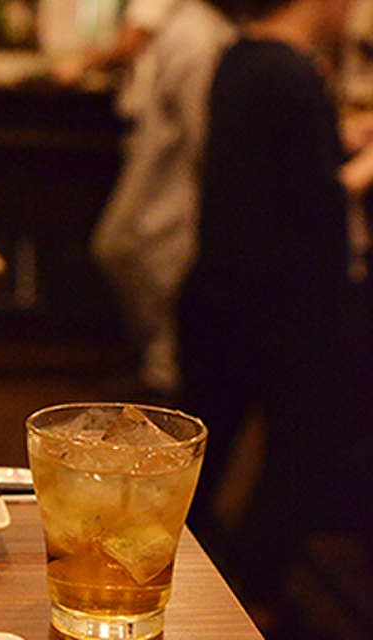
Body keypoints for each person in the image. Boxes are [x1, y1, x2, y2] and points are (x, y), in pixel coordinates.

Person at [178, 0, 373, 634]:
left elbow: (265, 170)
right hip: (293, 304)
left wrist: (344, 139)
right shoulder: (294, 72)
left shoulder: (240, 57)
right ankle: (257, 603)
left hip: (222, 292)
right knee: (297, 457)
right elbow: (317, 197)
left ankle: (173, 589)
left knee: (202, 455)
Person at [90, 0, 238, 399]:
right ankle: (158, 368)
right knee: (123, 251)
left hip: (177, 168)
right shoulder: (187, 23)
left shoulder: (197, 34)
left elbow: (201, 132)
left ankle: (164, 378)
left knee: (157, 262)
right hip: (158, 152)